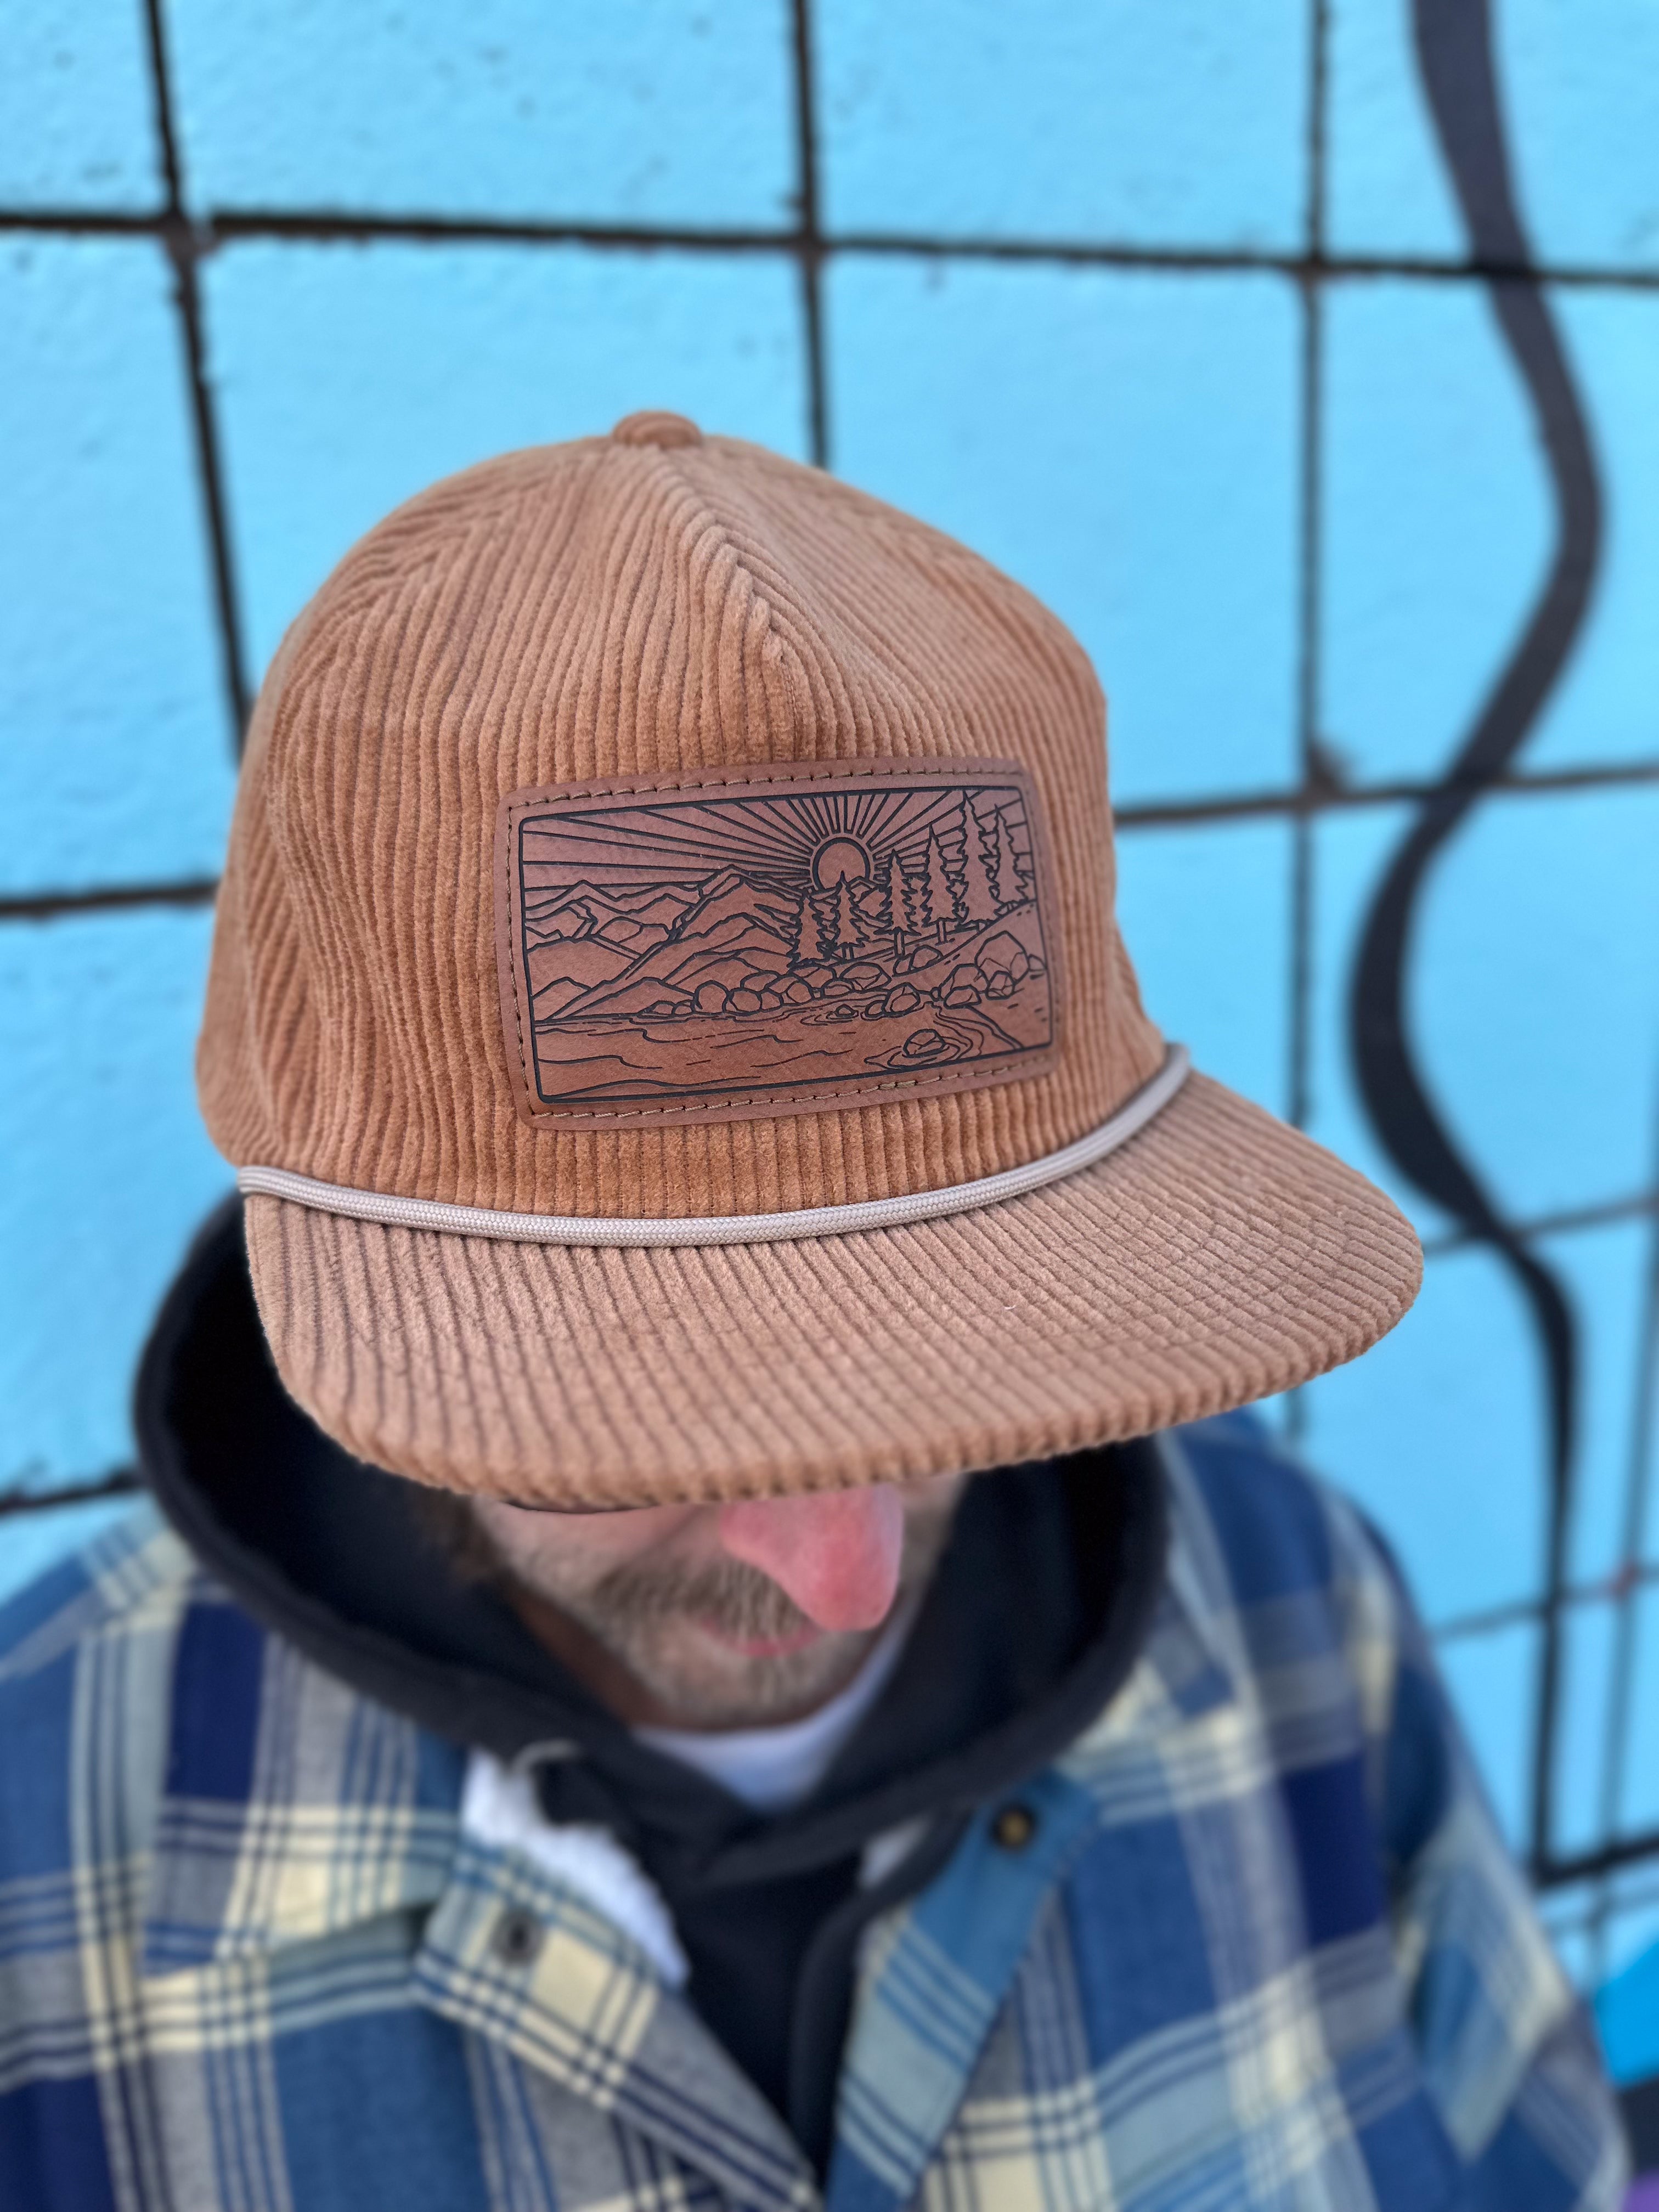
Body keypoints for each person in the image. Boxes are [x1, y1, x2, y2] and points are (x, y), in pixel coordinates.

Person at [0, 413, 1626, 2210]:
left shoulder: (1294, 1610)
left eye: (959, 1351)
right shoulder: (38, 1834)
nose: (845, 1573)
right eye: (643, 1405)